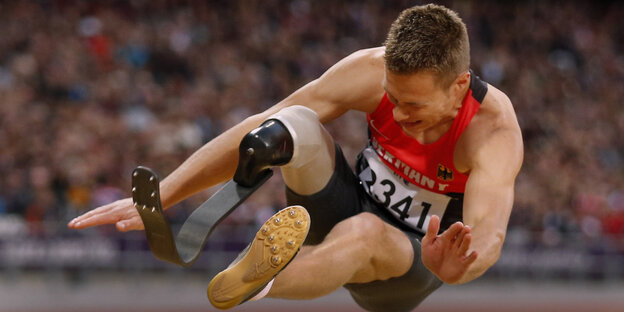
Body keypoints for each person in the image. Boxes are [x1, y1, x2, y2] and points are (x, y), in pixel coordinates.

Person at [68, 4, 523, 311]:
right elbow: (264, 117)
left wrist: (462, 267)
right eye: (392, 98)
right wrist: (167, 192)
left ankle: (255, 281)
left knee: (363, 231)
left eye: (416, 107)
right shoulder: (370, 69)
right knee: (293, 122)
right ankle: (267, 248)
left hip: (410, 262)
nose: (400, 114)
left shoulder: (492, 130)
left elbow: (489, 232)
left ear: (459, 87)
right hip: (345, 202)